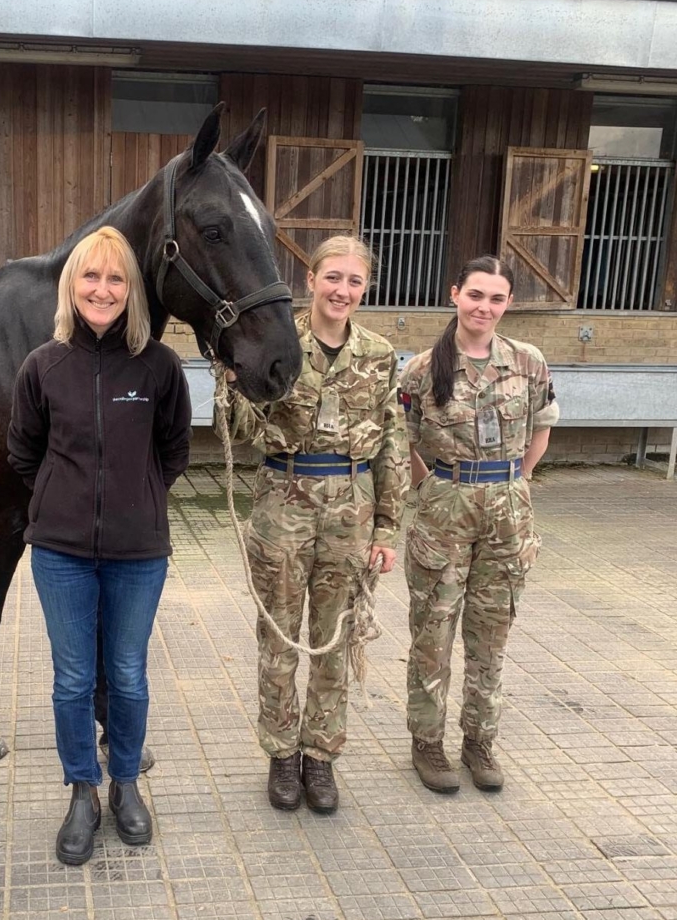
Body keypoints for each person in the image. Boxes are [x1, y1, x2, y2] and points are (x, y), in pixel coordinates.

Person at [7, 226, 191, 866]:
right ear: (72, 286)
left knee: (129, 675)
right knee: (74, 679)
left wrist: (138, 496)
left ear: (131, 291)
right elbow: (23, 451)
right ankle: (81, 791)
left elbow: (173, 452)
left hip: (139, 554)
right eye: (91, 276)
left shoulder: (160, 368)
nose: (103, 289)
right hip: (60, 553)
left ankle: (125, 786)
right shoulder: (43, 366)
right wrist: (58, 499)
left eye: (116, 279)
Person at [214, 235, 408, 814]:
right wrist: (228, 381)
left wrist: (388, 528)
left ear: (365, 287)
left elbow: (393, 441)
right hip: (283, 504)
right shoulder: (279, 343)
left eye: (354, 280)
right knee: (278, 639)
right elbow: (247, 432)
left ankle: (319, 757)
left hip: (352, 511)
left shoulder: (378, 354)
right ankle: (280, 753)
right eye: (332, 278)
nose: (342, 290)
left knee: (335, 640)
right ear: (311, 281)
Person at [399, 255, 558, 794]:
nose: (484, 307)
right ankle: (427, 742)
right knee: (433, 631)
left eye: (496, 298)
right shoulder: (422, 369)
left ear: (507, 304)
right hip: (445, 506)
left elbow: (542, 425)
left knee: (492, 633)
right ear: (455, 295)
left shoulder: (529, 362)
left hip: (507, 510)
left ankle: (479, 741)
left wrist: (521, 480)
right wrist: (427, 486)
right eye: (475, 295)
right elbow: (404, 437)